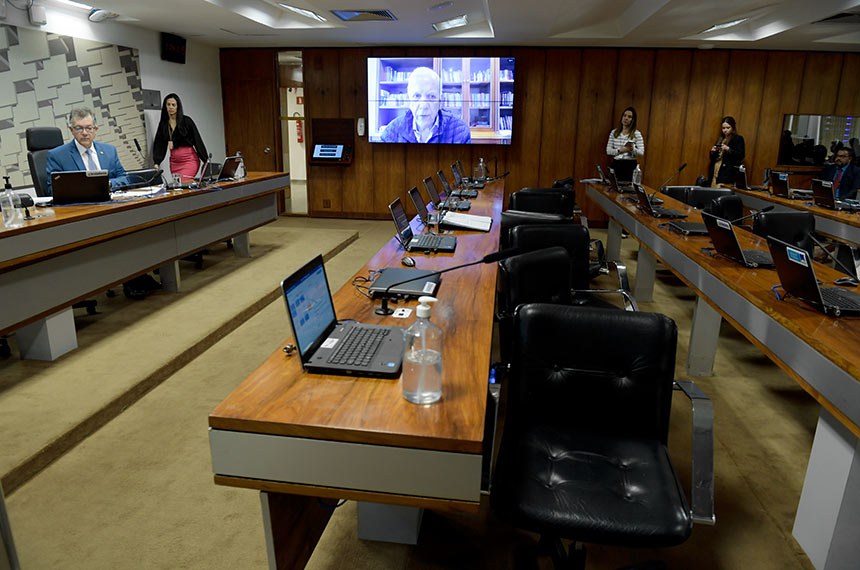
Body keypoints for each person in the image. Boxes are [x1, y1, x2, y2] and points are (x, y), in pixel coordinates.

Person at [46, 107, 129, 195]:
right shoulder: (57, 156)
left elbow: (124, 178)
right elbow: (52, 190)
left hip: (112, 204)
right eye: (79, 128)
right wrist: (86, 187)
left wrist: (109, 184)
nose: (85, 133)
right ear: (71, 130)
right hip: (80, 206)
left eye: (89, 128)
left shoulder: (110, 151)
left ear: (96, 129)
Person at [380, 67, 471, 143]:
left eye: (431, 96)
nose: (423, 105)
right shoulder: (390, 133)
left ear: (441, 101)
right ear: (408, 100)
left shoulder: (460, 132)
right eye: (416, 96)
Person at [152, 93, 208, 181]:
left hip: (189, 161)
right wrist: (157, 162)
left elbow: (197, 140)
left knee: (183, 182)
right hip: (174, 162)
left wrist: (205, 159)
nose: (171, 107)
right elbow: (159, 143)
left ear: (178, 106)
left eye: (173, 105)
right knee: (179, 187)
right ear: (165, 106)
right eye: (168, 104)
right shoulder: (163, 124)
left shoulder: (187, 121)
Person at [605, 106, 645, 181]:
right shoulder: (614, 132)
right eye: (624, 115)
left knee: (627, 189)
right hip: (616, 164)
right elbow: (608, 150)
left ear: (633, 120)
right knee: (613, 189)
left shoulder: (637, 134)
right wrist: (620, 150)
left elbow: (641, 152)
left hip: (630, 165)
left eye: (629, 117)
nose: (626, 118)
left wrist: (632, 149)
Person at [708, 116, 745, 186]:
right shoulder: (720, 139)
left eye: (728, 128)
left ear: (733, 127)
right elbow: (713, 158)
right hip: (715, 172)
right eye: (723, 128)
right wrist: (712, 152)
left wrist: (728, 149)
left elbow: (741, 155)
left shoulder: (738, 139)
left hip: (727, 174)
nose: (725, 130)